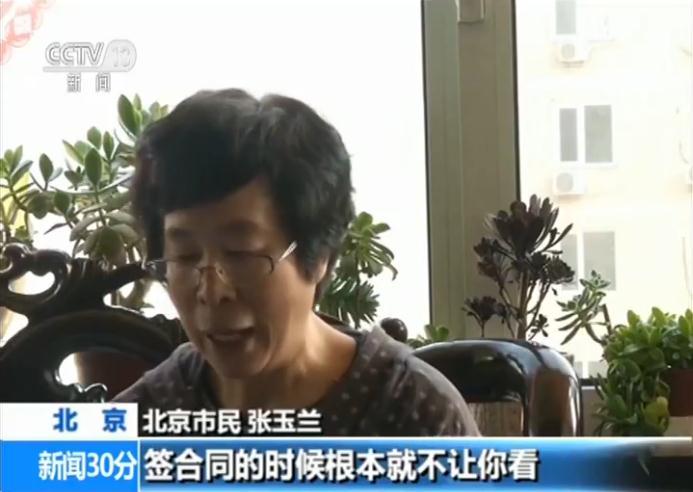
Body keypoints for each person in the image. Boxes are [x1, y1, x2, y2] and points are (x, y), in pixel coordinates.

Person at [114, 88, 480, 436]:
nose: (211, 291)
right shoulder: (146, 416)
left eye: (241, 254)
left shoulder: (414, 413)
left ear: (318, 255)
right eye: (185, 256)